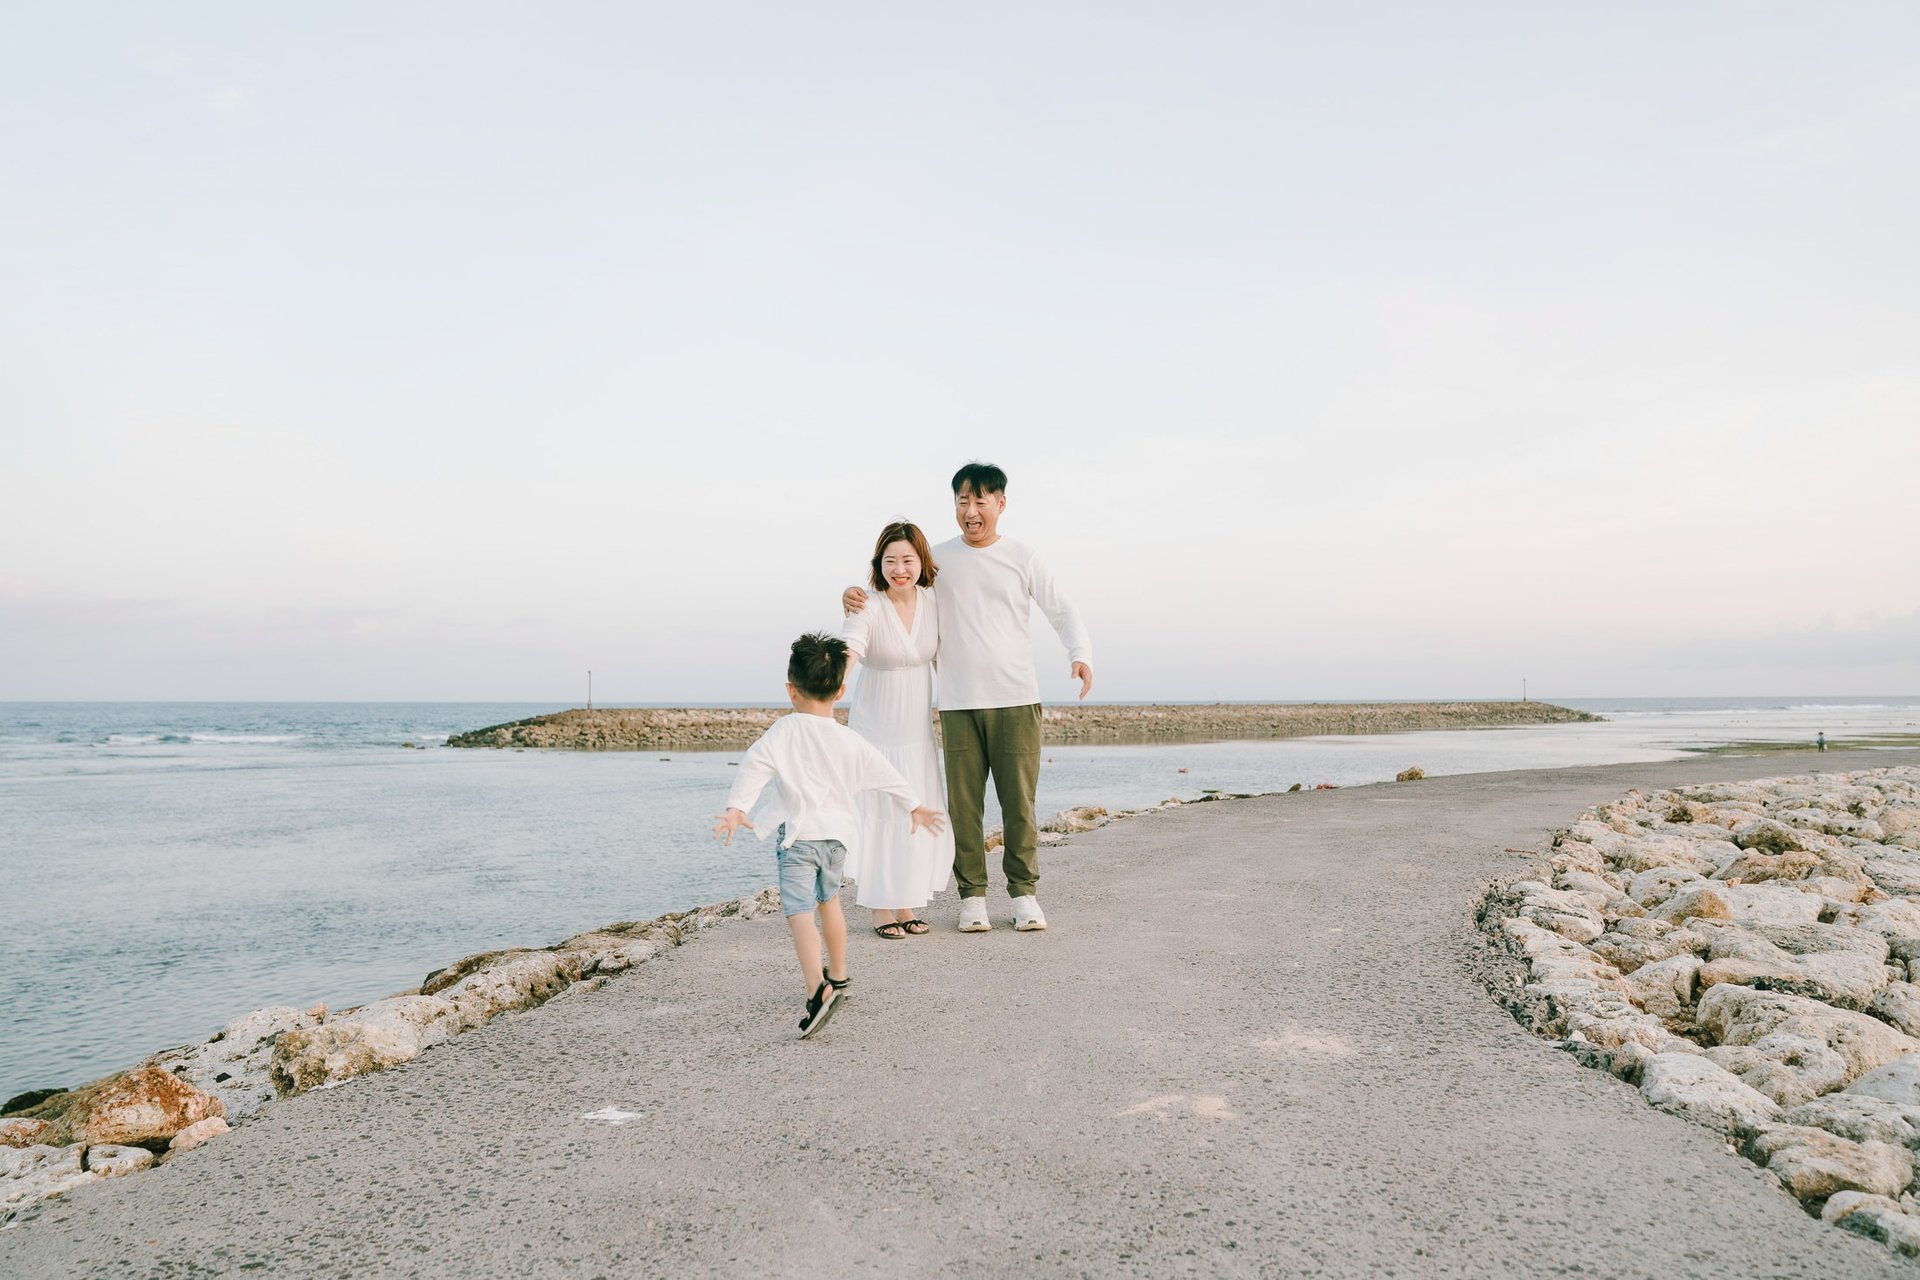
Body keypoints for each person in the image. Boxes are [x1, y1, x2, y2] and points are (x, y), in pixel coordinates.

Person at [844, 462, 1092, 934]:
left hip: (1017, 697)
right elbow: (890, 588)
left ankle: (1023, 895)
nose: (971, 510)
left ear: (1000, 504)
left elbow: (1061, 608)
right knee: (964, 806)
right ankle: (971, 897)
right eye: (962, 500)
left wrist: (1080, 654)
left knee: (1019, 803)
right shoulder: (934, 561)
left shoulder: (1023, 556)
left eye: (981, 500)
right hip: (957, 704)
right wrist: (851, 595)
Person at [713, 633, 946, 1038]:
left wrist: (738, 810)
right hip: (837, 840)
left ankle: (816, 991)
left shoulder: (784, 732)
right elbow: (887, 774)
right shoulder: (849, 739)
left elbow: (755, 766)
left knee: (799, 914)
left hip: (800, 840)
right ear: (840, 690)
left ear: (791, 690)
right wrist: (914, 804)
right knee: (830, 903)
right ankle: (837, 975)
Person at [838, 520, 956, 939]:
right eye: (890, 561)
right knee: (880, 814)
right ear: (879, 564)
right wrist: (835, 681)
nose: (899, 569)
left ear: (922, 562)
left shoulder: (933, 602)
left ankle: (905, 903)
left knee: (912, 814)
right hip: (875, 731)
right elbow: (850, 646)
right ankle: (879, 909)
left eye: (907, 559)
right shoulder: (867, 605)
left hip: (917, 732)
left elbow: (948, 655)